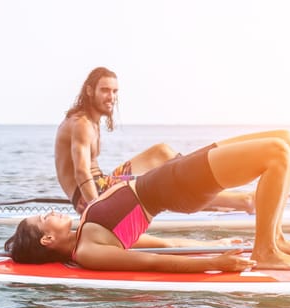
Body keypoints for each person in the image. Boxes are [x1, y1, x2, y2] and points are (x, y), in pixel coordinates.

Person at [6, 129, 290, 272]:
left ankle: (275, 237)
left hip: (172, 174)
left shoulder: (88, 231)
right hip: (179, 185)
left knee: (286, 139)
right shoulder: (89, 251)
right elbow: (152, 262)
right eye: (43, 218)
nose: (49, 212)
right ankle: (265, 250)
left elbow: (167, 245)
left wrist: (215, 244)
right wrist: (214, 264)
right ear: (47, 238)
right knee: (276, 153)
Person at [55, 66, 255, 214]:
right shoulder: (82, 123)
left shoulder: (90, 121)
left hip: (102, 182)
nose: (112, 97)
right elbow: (81, 172)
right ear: (89, 91)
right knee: (166, 183)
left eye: (115, 91)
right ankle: (241, 200)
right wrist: (96, 210)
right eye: (105, 90)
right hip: (94, 191)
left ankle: (200, 184)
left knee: (162, 152)